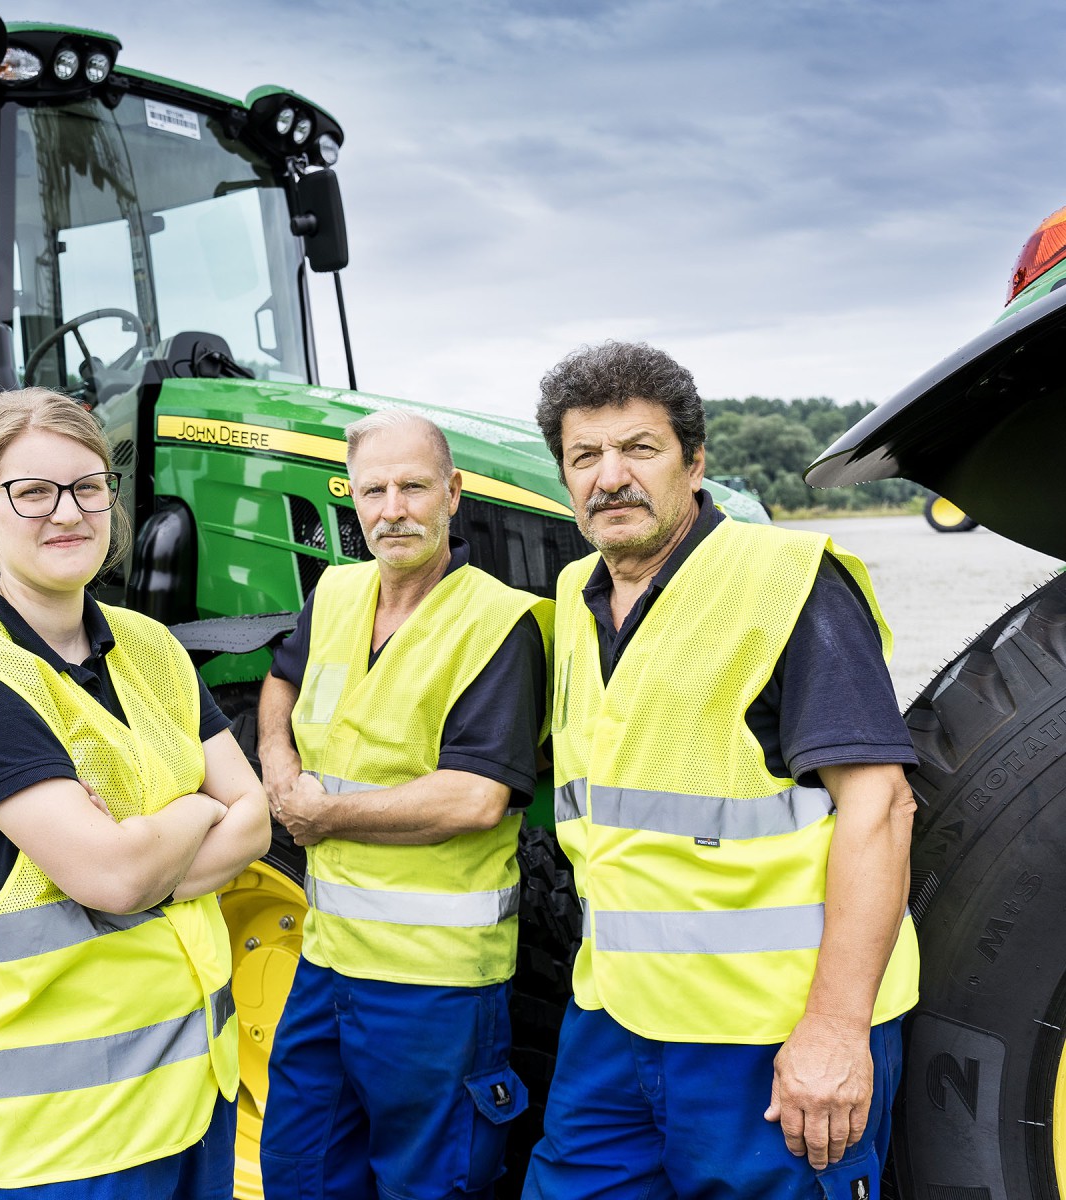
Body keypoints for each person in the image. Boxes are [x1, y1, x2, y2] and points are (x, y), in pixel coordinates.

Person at [521, 342, 920, 1197]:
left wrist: (836, 1030)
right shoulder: (574, 596)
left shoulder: (785, 583)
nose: (610, 477)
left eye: (639, 449)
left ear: (695, 461)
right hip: (616, 1019)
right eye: (585, 456)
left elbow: (880, 806)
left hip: (771, 1037)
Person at [0, 386, 272, 1199]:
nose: (69, 512)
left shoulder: (151, 647)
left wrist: (145, 846)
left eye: (90, 487)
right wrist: (199, 810)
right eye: (33, 492)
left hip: (196, 1101)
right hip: (63, 1147)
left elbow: (258, 824)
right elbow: (113, 878)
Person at [254, 409, 552, 1199]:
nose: (394, 508)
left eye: (414, 487)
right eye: (374, 489)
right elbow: (280, 682)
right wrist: (278, 769)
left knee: (430, 1184)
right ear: (350, 498)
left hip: (436, 990)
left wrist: (321, 818)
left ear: (452, 494)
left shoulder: (496, 623)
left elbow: (477, 797)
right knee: (299, 1171)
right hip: (325, 967)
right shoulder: (339, 593)